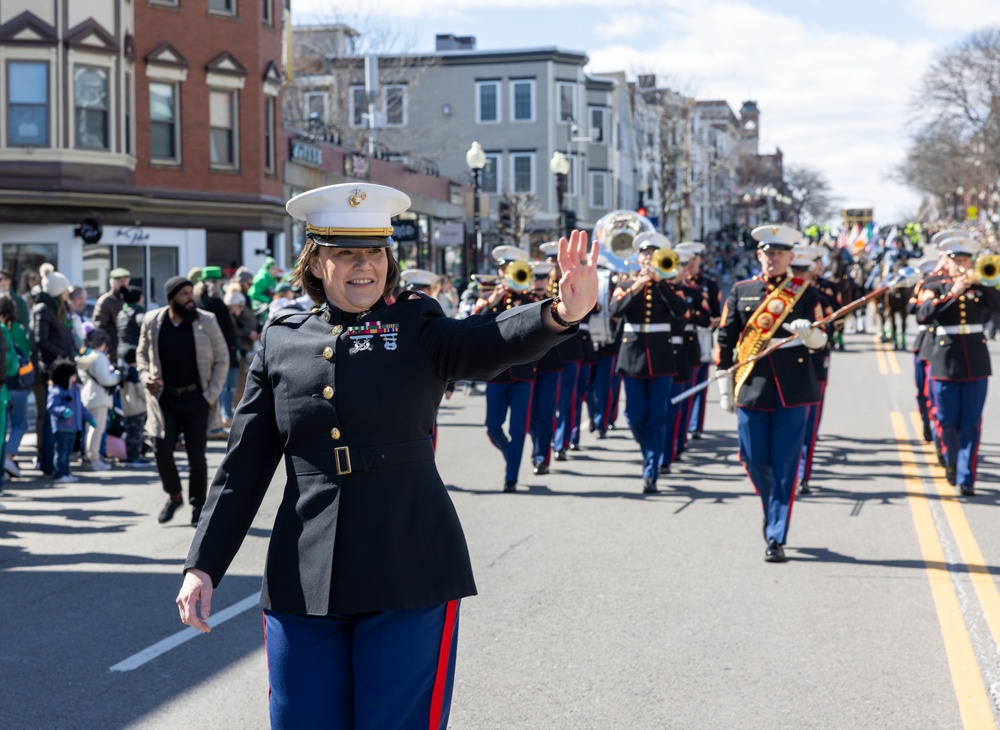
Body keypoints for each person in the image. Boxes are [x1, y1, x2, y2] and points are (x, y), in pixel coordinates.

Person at [175, 182, 599, 730]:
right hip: (305, 574)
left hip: (409, 565)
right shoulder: (282, 340)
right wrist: (202, 565)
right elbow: (244, 467)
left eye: (373, 251)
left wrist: (560, 313)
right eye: (345, 252)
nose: (363, 266)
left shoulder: (418, 326)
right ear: (316, 261)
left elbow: (483, 341)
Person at [716, 225, 827, 562]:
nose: (773, 259)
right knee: (752, 459)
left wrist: (809, 336)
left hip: (792, 391)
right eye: (767, 253)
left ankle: (776, 533)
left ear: (791, 258)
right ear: (759, 255)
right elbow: (725, 341)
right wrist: (724, 387)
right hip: (752, 387)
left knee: (785, 464)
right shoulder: (741, 291)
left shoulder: (805, 293)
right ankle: (771, 504)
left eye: (780, 254)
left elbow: (823, 341)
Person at [137, 276, 228, 525]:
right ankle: (174, 496)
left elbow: (223, 358)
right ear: (171, 298)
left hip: (196, 398)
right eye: (184, 294)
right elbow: (141, 355)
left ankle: (198, 505)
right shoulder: (153, 321)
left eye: (191, 293)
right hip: (163, 397)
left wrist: (209, 395)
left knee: (196, 457)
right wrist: (145, 376)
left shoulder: (205, 321)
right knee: (161, 450)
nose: (190, 298)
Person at [915, 235, 1000, 496]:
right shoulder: (934, 284)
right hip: (944, 360)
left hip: (976, 361)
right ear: (947, 261)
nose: (961, 265)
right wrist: (953, 293)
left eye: (966, 260)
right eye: (957, 260)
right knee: (947, 420)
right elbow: (923, 314)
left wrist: (984, 284)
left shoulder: (980, 286)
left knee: (971, 423)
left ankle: (967, 477)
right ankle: (951, 460)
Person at [609, 232, 688, 493]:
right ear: (638, 256)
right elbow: (615, 311)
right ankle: (650, 454)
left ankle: (651, 469)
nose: (648, 257)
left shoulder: (669, 285)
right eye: (644, 253)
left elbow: (679, 311)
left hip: (662, 358)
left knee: (658, 416)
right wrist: (636, 286)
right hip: (632, 356)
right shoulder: (625, 283)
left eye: (653, 253)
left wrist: (661, 282)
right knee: (633, 416)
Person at [472, 246, 539, 492]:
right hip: (496, 374)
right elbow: (471, 325)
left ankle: (510, 478)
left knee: (518, 428)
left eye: (509, 270)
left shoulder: (529, 299)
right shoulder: (490, 299)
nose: (505, 274)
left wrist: (523, 296)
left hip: (522, 373)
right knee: (492, 426)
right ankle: (513, 455)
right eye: (502, 270)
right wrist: (491, 302)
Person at [31, 264, 76, 475]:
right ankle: (48, 463)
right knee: (49, 419)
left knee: (58, 419)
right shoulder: (43, 309)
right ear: (58, 290)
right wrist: (62, 355)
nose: (69, 292)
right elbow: (41, 340)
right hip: (50, 370)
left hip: (62, 369)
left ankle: (58, 462)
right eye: (66, 289)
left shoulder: (62, 308)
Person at [76, 329, 122, 471]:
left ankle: (88, 456)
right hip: (99, 398)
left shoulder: (86, 356)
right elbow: (106, 379)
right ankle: (93, 459)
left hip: (87, 396)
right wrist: (118, 376)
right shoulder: (100, 358)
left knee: (89, 430)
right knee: (97, 430)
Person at [47, 358, 93, 484]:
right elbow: (51, 406)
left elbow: (81, 406)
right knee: (61, 452)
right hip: (62, 427)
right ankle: (60, 474)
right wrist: (63, 411)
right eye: (72, 374)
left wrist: (89, 417)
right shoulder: (57, 390)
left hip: (74, 427)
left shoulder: (75, 389)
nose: (75, 377)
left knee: (67, 453)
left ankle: (66, 472)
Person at [0, 295, 31, 477]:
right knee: (19, 423)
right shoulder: (14, 329)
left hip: (5, 386)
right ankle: (8, 458)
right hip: (14, 384)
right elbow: (24, 355)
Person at [92, 267, 130, 361]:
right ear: (112, 282)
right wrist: (110, 349)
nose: (123, 284)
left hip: (129, 350)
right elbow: (99, 327)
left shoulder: (129, 299)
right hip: (114, 350)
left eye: (125, 281)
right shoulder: (105, 301)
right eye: (120, 281)